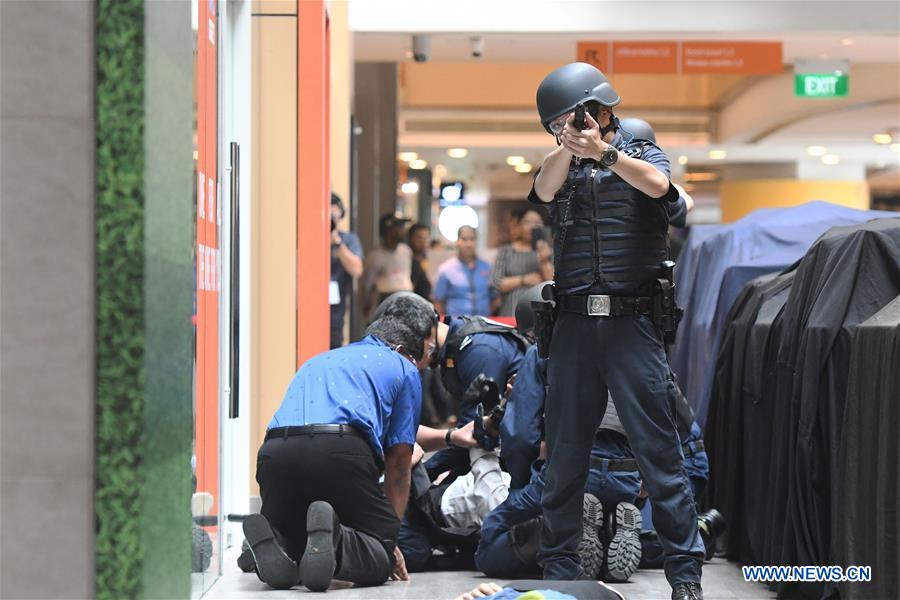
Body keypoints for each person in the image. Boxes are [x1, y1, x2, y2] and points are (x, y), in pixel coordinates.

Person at [529, 62, 705, 600]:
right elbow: (542, 189)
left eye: (579, 114)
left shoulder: (639, 147)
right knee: (562, 459)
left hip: (633, 325)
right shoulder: (562, 158)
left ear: (605, 109)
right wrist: (570, 146)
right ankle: (559, 576)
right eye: (560, 120)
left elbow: (663, 190)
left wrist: (605, 152)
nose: (575, 123)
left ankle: (686, 579)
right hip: (577, 325)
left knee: (660, 454)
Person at [241, 297, 479, 592]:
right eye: (428, 353)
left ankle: (279, 541)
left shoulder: (321, 359)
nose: (429, 362)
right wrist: (388, 540)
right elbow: (399, 467)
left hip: (274, 454)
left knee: (298, 525)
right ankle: (337, 544)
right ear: (404, 350)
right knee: (378, 552)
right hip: (338, 451)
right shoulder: (404, 369)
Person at [491, 207, 554, 316]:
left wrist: (544, 261)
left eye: (538, 222)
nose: (532, 226)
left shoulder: (548, 252)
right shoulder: (506, 251)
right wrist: (524, 280)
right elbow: (496, 283)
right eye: (528, 222)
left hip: (539, 317)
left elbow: (554, 284)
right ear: (519, 226)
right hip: (509, 314)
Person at [433, 225, 495, 317]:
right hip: (457, 325)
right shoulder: (446, 269)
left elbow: (495, 298)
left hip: (484, 324)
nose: (468, 244)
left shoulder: (486, 267)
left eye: (472, 239)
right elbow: (438, 301)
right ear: (457, 242)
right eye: (464, 239)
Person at [361, 213, 414, 320]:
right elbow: (366, 286)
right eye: (399, 227)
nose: (403, 231)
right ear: (388, 231)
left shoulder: (406, 251)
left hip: (406, 303)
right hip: (384, 306)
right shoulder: (375, 256)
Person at [329, 193, 364, 349]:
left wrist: (336, 242)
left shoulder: (348, 239)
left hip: (336, 314)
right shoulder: (308, 237)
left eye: (333, 215)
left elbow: (356, 269)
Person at [408, 222, 433, 301]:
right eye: (419, 238)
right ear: (410, 238)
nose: (423, 241)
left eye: (426, 238)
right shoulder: (407, 260)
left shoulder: (430, 259)